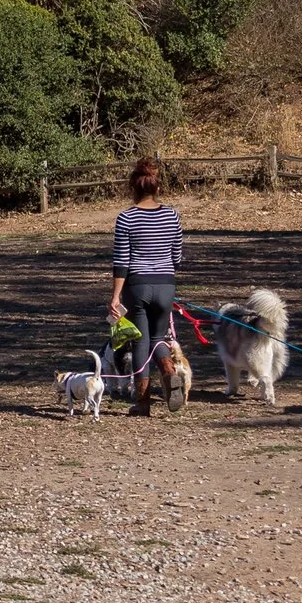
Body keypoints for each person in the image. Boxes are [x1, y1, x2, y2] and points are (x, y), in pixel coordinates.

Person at [107, 156, 186, 414]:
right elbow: (177, 256)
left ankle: (142, 403)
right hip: (166, 284)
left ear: (133, 188)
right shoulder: (172, 215)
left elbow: (122, 262)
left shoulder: (126, 218)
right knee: (158, 337)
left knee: (140, 342)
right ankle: (168, 370)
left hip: (138, 286)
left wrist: (116, 297)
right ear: (157, 188)